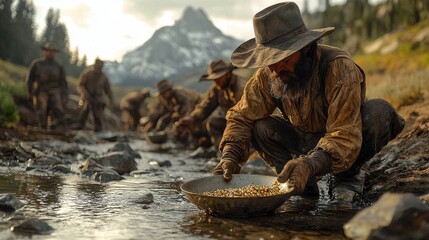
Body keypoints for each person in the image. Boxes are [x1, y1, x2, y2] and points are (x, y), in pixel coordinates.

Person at [212, 2, 405, 202]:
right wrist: (230, 156)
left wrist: (311, 164)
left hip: (345, 140)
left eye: (283, 58)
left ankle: (347, 176)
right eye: (270, 61)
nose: (276, 70)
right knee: (259, 126)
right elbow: (241, 115)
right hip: (302, 139)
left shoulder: (339, 68)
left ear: (306, 49)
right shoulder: (269, 74)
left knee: (378, 113)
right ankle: (294, 179)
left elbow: (344, 134)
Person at [175, 59, 249, 158]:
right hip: (231, 122)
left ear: (227, 74)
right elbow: (206, 106)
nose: (216, 81)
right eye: (214, 79)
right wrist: (191, 118)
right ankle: (223, 155)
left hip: (247, 123)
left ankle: (238, 155)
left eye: (218, 78)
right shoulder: (217, 88)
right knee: (213, 123)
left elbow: (248, 115)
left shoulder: (241, 87)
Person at [144, 79, 207, 148]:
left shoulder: (180, 95)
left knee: (185, 125)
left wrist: (181, 121)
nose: (163, 95)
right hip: (191, 111)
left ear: (169, 90)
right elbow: (172, 112)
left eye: (164, 93)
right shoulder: (171, 98)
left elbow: (188, 110)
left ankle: (193, 145)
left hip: (201, 109)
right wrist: (162, 120)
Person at [26, 42, 68, 129]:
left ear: (55, 53)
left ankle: (56, 129)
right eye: (48, 51)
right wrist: (30, 92)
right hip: (41, 90)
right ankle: (42, 127)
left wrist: (64, 96)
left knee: (58, 109)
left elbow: (63, 83)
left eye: (52, 51)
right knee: (42, 109)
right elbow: (30, 80)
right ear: (44, 51)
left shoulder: (59, 66)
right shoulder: (37, 64)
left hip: (55, 91)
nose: (50, 53)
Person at [77, 58, 114, 132]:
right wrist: (84, 93)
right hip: (87, 96)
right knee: (85, 111)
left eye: (99, 68)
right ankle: (79, 126)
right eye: (97, 67)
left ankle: (98, 129)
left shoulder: (103, 77)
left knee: (97, 114)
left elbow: (107, 89)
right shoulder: (87, 74)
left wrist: (111, 99)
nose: (98, 69)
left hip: (97, 98)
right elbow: (80, 85)